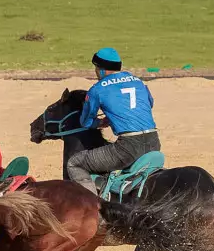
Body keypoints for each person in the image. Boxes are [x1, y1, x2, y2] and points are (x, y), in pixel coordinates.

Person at [64, 48, 160, 188]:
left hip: (128, 147)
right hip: (154, 142)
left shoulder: (97, 89)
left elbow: (86, 122)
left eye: (96, 68)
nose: (95, 71)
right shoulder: (137, 81)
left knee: (75, 163)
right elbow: (150, 104)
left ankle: (90, 206)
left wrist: (100, 122)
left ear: (102, 69)